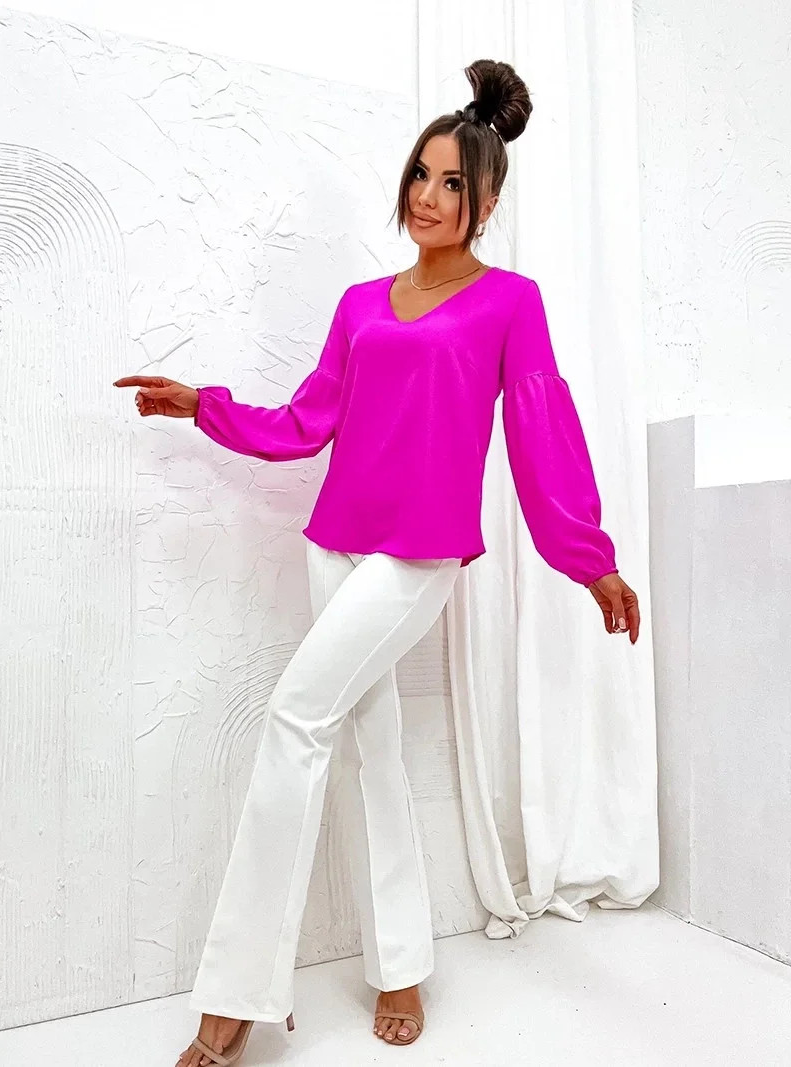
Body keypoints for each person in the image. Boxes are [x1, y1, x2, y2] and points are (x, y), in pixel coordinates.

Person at [115, 57, 639, 1067]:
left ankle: (233, 998)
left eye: (453, 182)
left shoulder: (508, 303)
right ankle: (400, 962)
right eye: (420, 174)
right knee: (371, 744)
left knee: (293, 719)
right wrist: (202, 405)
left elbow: (541, 431)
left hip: (417, 557)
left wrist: (589, 558)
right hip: (336, 542)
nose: (428, 196)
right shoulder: (360, 303)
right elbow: (307, 420)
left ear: (487, 202)